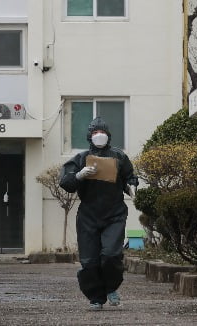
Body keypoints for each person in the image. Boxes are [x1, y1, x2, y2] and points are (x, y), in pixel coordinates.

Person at [59, 117, 139, 310]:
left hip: (115, 214)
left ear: (108, 135)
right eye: (95, 133)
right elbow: (65, 182)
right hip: (88, 215)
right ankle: (96, 297)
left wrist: (132, 188)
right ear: (89, 137)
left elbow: (130, 177)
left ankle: (111, 287)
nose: (99, 136)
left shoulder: (119, 156)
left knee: (111, 255)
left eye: (102, 132)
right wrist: (79, 175)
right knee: (89, 260)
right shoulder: (81, 158)